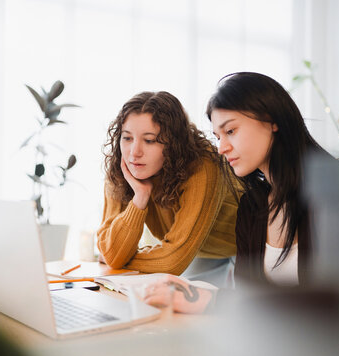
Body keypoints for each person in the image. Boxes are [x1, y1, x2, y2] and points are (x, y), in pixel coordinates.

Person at [144, 72, 335, 312]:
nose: (222, 148)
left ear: (272, 120)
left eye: (231, 131)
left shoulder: (337, 196)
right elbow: (247, 299)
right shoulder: (252, 206)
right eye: (218, 136)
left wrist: (209, 301)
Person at [96, 91, 238, 285]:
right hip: (199, 251)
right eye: (127, 138)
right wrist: (140, 197)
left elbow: (173, 261)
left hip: (247, 245)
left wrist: (122, 258)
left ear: (173, 143)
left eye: (149, 140)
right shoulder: (123, 166)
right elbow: (112, 254)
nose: (134, 153)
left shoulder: (203, 165)